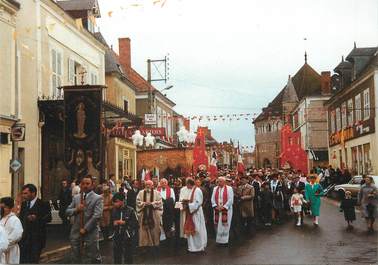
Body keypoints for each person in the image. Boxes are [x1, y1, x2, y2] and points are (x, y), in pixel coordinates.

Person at [66, 175, 103, 263]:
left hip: (91, 232)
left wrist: (85, 228)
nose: (85, 186)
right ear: (80, 185)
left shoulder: (98, 198)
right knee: (76, 257)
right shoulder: (76, 198)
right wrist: (76, 209)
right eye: (83, 184)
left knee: (93, 257)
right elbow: (67, 211)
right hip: (76, 231)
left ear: (92, 185)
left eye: (87, 183)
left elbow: (97, 216)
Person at [19, 184, 52, 264]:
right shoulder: (24, 204)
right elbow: (22, 218)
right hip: (24, 239)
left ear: (33, 193)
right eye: (23, 193)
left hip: (37, 238)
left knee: (33, 260)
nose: (23, 196)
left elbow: (48, 218)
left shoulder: (43, 204)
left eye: (26, 193)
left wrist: (37, 218)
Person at [179, 177, 207, 252]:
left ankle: (198, 246)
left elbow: (198, 202)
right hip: (191, 212)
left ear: (189, 184)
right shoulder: (193, 190)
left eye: (186, 184)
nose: (186, 186)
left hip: (196, 212)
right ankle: (192, 246)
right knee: (192, 228)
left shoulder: (197, 190)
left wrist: (188, 206)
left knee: (197, 228)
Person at [112, 192, 138, 264]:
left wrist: (125, 223)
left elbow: (135, 223)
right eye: (114, 202)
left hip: (127, 236)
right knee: (117, 256)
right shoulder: (114, 211)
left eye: (116, 202)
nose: (115, 204)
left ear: (123, 201)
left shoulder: (130, 210)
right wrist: (113, 224)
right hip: (117, 236)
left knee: (128, 256)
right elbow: (111, 223)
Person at [136, 180, 163, 249]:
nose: (148, 186)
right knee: (144, 230)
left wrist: (152, 204)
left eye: (149, 184)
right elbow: (138, 202)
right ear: (145, 185)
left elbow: (160, 202)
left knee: (155, 229)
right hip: (144, 213)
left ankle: (155, 243)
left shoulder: (157, 193)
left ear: (152, 185)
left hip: (154, 213)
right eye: (146, 184)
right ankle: (145, 244)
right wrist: (144, 204)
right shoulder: (141, 193)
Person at [211, 176, 234, 245]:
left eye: (220, 181)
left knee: (225, 225)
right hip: (217, 209)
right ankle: (219, 240)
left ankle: (224, 241)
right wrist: (215, 206)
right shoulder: (215, 189)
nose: (218, 183)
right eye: (218, 181)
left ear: (224, 182)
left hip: (226, 210)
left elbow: (230, 199)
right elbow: (212, 198)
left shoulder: (229, 189)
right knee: (218, 225)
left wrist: (224, 207)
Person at [0, 197, 23, 264]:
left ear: (10, 208)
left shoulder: (14, 220)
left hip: (11, 250)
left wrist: (4, 245)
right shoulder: (1, 218)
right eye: (1, 207)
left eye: (4, 207)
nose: (2, 209)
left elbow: (16, 235)